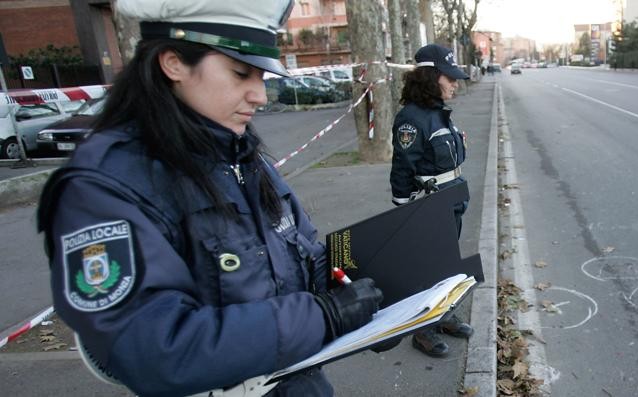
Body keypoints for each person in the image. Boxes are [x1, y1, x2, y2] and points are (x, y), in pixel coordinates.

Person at [35, 1, 393, 395]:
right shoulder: (102, 188)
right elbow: (156, 349)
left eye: (261, 75)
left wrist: (376, 301)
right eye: (241, 73)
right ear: (173, 64)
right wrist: (323, 317)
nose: (259, 94)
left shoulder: (241, 156)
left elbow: (308, 256)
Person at [389, 44, 475, 357]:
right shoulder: (412, 119)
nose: (455, 83)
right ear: (431, 76)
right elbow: (402, 167)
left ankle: (442, 315)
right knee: (426, 269)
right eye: (449, 77)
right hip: (428, 206)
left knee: (446, 266)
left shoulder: (438, 114)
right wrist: (403, 210)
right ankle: (422, 331)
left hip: (450, 202)